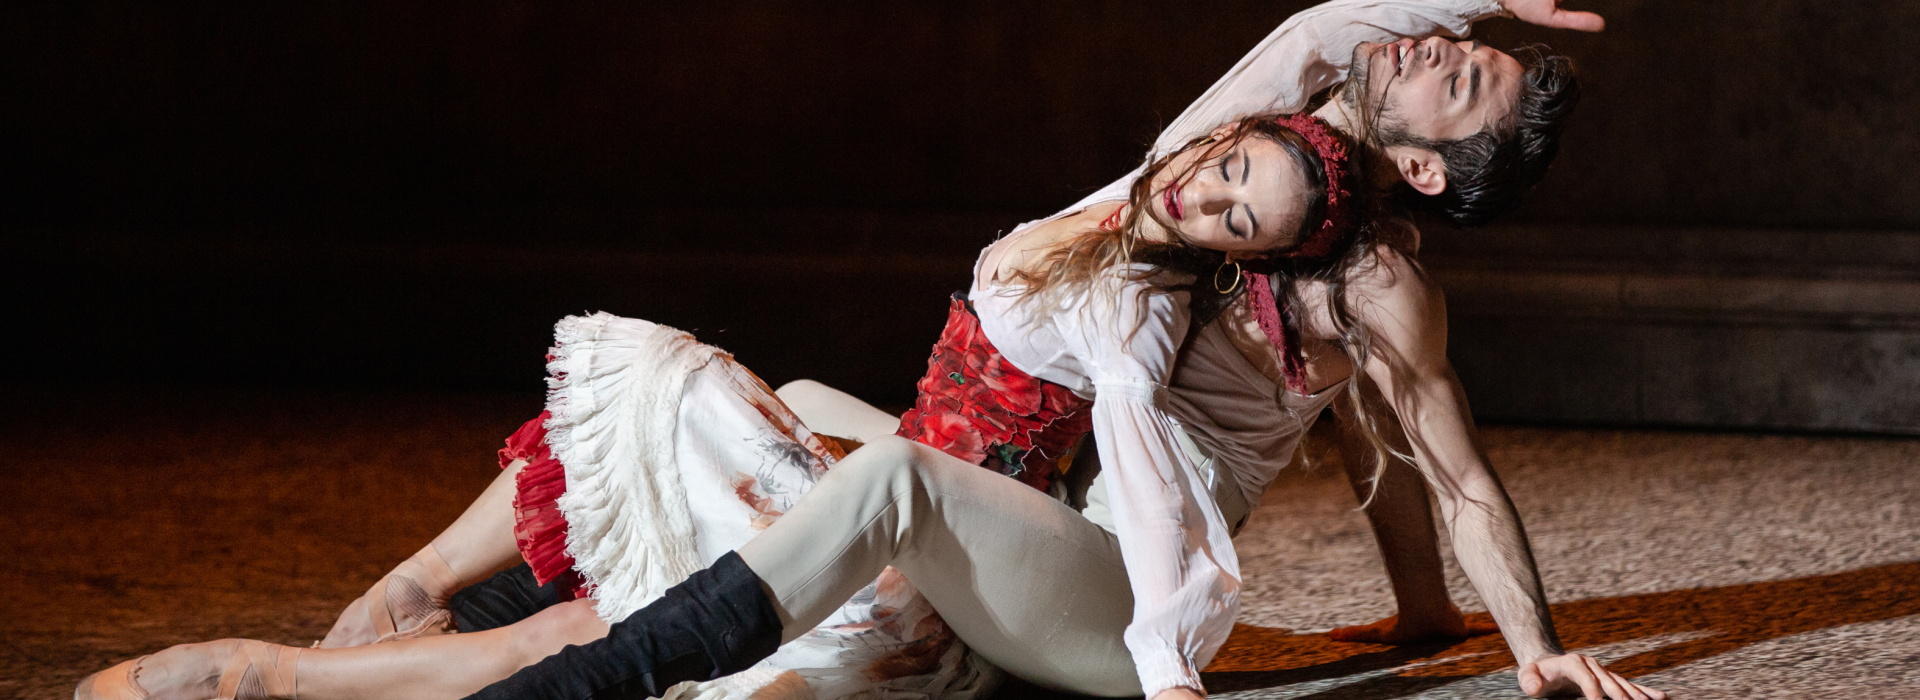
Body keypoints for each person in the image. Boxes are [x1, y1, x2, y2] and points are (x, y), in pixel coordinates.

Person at [75, 2, 1662, 700]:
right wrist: (1415, 621)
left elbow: (1441, 466)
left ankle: (585, 671)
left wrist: (1521, 648)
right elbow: (1322, 24)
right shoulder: (1244, 163)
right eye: (1465, 52)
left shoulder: (1379, 283)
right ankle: (446, 598)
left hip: (1113, 592)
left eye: (1468, 85)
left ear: (1438, 177)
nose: (1452, 58)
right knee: (706, 385)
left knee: (886, 475)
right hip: (1018, 511)